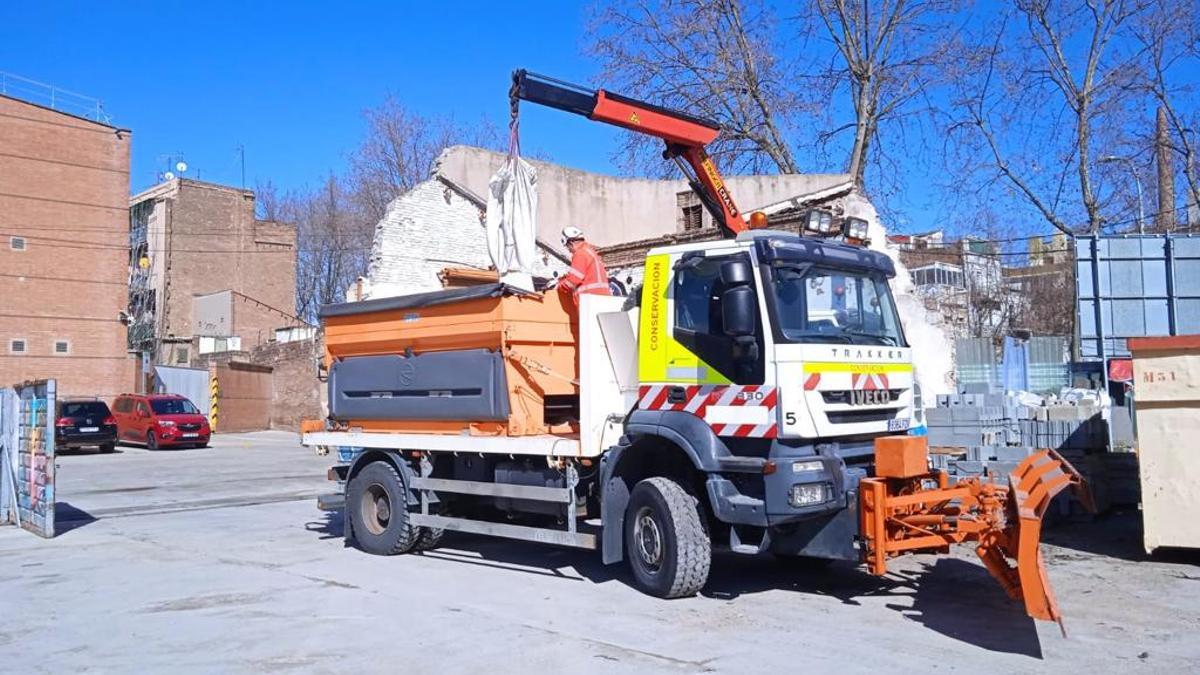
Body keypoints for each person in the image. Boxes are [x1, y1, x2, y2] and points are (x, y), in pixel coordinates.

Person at [555, 226, 612, 304]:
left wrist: (558, 287)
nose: (569, 251)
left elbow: (572, 282)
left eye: (567, 247)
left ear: (571, 243)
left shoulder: (580, 254)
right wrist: (564, 278)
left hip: (589, 301)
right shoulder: (591, 252)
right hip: (602, 299)